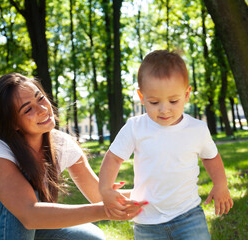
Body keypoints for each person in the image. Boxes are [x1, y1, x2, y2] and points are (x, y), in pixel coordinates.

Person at [0, 73, 145, 240]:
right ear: (13, 123)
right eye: (28, 109)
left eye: (41, 98)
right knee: (14, 205)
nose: (43, 109)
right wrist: (105, 210)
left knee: (92, 237)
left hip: (26, 222)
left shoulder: (61, 143)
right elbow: (28, 214)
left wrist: (156, 192)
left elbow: (99, 195)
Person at [99, 50, 234, 240]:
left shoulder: (197, 129)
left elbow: (210, 156)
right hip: (147, 221)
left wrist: (220, 184)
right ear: (141, 95)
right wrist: (104, 189)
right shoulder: (135, 127)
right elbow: (113, 157)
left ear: (187, 94)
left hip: (189, 216)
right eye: (154, 102)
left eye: (173, 101)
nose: (164, 110)